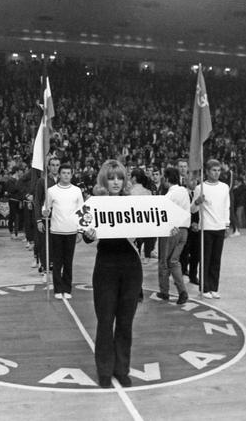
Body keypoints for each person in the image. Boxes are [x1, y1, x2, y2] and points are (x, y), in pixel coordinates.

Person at [82, 159, 143, 389]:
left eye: (120, 177)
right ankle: (105, 370)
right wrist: (88, 232)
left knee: (125, 322)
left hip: (131, 266)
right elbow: (87, 237)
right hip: (106, 266)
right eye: (111, 177)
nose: (116, 182)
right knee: (105, 321)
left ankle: (122, 369)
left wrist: (167, 227)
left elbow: (147, 231)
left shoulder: (134, 203)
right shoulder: (94, 203)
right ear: (104, 180)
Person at [42, 163, 84, 299]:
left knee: (68, 262)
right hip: (56, 231)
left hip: (71, 231)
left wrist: (80, 231)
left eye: (68, 173)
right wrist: (45, 212)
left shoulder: (77, 191)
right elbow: (45, 209)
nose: (66, 175)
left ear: (72, 175)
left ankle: (67, 288)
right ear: (59, 175)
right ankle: (57, 289)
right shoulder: (52, 191)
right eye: (64, 173)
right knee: (57, 261)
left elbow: (82, 211)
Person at [191, 159, 230, 299]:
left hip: (220, 227)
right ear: (207, 171)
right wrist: (197, 201)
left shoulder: (225, 187)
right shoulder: (200, 188)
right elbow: (192, 209)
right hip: (206, 228)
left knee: (216, 260)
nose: (217, 173)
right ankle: (204, 287)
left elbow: (227, 207)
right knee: (205, 259)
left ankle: (214, 287)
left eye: (219, 170)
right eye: (214, 170)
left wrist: (227, 225)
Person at [156, 167, 190, 304]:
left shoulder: (169, 195)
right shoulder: (184, 192)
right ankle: (182, 291)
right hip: (184, 231)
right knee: (174, 261)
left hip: (171, 230)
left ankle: (164, 292)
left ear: (167, 178)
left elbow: (162, 212)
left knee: (164, 262)